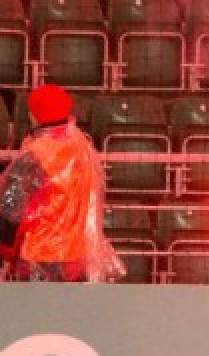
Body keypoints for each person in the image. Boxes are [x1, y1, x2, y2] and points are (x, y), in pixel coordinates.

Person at [0, 84, 121, 282]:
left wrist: (6, 251)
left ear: (34, 116)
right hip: (78, 257)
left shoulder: (35, 155)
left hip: (39, 256)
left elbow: (9, 212)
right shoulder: (83, 147)